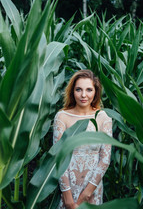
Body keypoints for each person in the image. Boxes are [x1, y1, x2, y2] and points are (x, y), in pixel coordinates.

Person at [53, 69, 112, 209]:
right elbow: (58, 157)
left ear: (96, 92)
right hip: (66, 189)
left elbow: (105, 160)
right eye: (78, 89)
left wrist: (87, 194)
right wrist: (67, 196)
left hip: (92, 190)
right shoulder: (62, 117)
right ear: (72, 91)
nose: (83, 95)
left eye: (89, 90)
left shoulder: (103, 118)